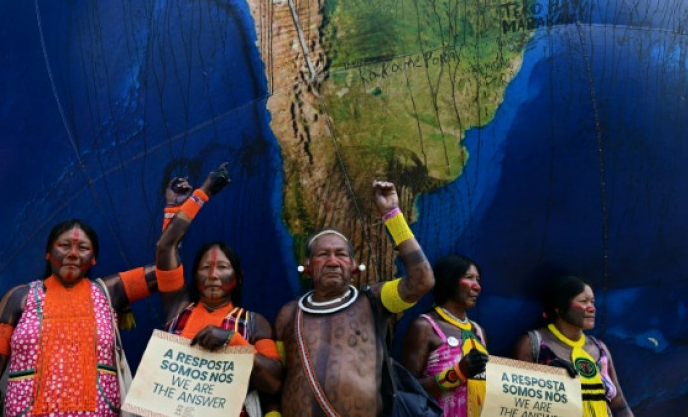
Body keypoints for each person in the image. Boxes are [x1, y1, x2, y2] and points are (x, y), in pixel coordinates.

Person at [0, 180, 222, 417]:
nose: (73, 253)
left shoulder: (109, 292)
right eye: (64, 246)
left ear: (93, 259)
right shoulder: (18, 298)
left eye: (83, 248)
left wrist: (175, 211)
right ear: (48, 253)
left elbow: (165, 270)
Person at [274, 180, 435, 417]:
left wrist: (392, 215)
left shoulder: (373, 301)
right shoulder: (288, 314)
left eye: (341, 254)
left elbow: (422, 280)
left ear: (353, 266)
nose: (332, 261)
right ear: (307, 266)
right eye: (323, 255)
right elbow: (277, 377)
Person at [155, 164, 283, 416]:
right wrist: (200, 194)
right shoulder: (178, 306)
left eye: (222, 267)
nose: (213, 275)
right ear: (194, 276)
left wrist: (232, 340)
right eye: (205, 268)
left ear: (238, 276)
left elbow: (274, 382)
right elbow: (165, 247)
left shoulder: (254, 322)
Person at [513, 275, 633, 417]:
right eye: (583, 301)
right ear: (559, 308)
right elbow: (517, 401)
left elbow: (619, 406)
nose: (592, 308)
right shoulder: (533, 345)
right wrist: (549, 377)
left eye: (592, 302)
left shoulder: (599, 349)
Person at [401, 254, 489, 416]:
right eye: (469, 277)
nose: (477, 286)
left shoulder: (479, 332)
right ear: (449, 280)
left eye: (478, 279)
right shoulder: (425, 327)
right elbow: (407, 388)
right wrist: (457, 373)